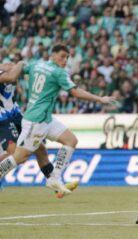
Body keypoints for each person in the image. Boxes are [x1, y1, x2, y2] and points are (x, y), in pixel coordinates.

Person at [0, 44, 115, 195]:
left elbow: (17, 70)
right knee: (19, 156)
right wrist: (100, 99)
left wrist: (20, 64)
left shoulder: (37, 64)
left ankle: (54, 178)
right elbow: (76, 92)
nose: (65, 60)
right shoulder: (58, 72)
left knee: (70, 140)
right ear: (52, 55)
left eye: (67, 57)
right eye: (62, 56)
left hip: (45, 118)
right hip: (36, 121)